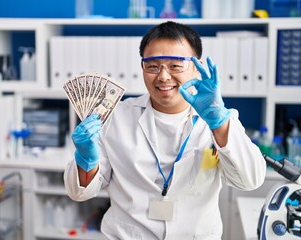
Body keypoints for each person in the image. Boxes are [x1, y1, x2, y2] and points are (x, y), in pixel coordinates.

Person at [64, 21, 266, 239]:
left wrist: (219, 123)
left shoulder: (220, 119)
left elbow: (250, 181)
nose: (163, 76)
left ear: (196, 67)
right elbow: (80, 192)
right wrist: (86, 160)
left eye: (175, 65)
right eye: (152, 66)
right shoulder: (115, 117)